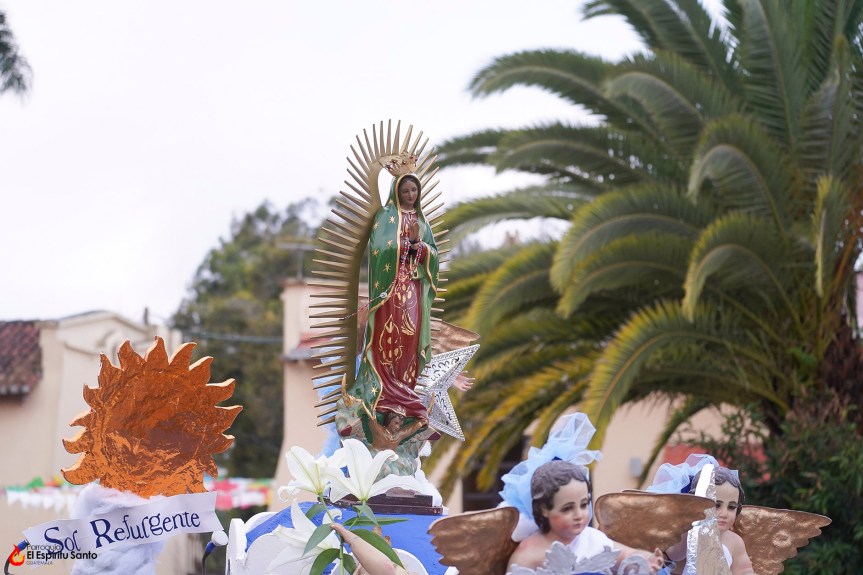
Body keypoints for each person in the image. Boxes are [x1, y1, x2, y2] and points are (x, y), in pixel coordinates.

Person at [346, 171, 439, 442]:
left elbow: (433, 255)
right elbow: (379, 248)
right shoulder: (385, 217)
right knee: (387, 341)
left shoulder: (422, 221)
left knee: (409, 340)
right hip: (389, 293)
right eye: (406, 190)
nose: (411, 195)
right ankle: (383, 395)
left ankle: (405, 393)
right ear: (397, 192)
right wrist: (403, 245)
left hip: (413, 291)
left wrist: (421, 247)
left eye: (414, 190)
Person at [506, 460, 665, 574]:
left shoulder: (592, 538)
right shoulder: (529, 554)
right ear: (544, 509)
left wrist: (646, 560)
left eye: (583, 505)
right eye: (567, 508)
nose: (579, 515)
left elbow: (625, 556)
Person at [649, 455, 755, 575]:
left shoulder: (734, 541)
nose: (724, 513)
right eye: (717, 505)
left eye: (731, 507)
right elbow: (675, 555)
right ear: (696, 504)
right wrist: (689, 530)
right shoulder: (687, 533)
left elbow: (744, 570)